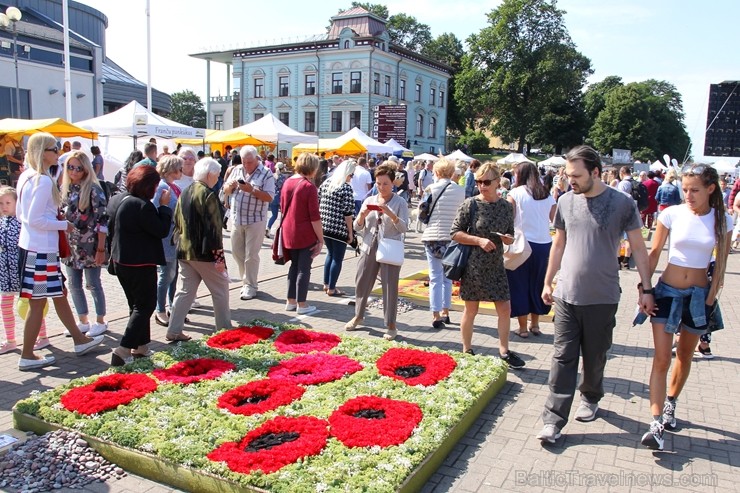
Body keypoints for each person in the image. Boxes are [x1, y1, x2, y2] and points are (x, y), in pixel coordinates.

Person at [537, 145, 654, 444]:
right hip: (566, 295)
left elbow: (639, 248)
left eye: (576, 175)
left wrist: (646, 287)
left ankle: (590, 396)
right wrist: (548, 281)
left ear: (596, 172)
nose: (570, 180)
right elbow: (558, 244)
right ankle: (553, 420)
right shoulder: (564, 201)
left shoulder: (622, 203)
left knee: (595, 355)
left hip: (603, 296)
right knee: (562, 357)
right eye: (567, 174)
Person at [639, 164, 732, 451]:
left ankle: (670, 402)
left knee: (685, 356)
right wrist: (645, 288)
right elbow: (653, 253)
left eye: (694, 190)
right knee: (662, 358)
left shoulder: (722, 220)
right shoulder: (671, 214)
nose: (688, 195)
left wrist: (710, 297)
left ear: (710, 189)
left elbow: (723, 263)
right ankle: (655, 424)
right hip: (666, 292)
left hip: (698, 296)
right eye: (685, 189)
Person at [15, 133, 104, 370]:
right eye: (54, 149)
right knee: (38, 302)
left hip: (34, 247)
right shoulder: (41, 180)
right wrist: (63, 224)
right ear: (42, 151)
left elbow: (22, 215)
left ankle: (79, 339)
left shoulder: (27, 176)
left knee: (59, 294)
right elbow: (34, 218)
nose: (58, 152)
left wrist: (56, 221)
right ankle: (27, 354)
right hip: (40, 250)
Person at [450, 162, 523, 367]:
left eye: (487, 182)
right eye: (479, 181)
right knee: (471, 310)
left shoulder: (506, 206)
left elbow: (510, 232)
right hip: (474, 266)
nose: (482, 185)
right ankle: (466, 349)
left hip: (496, 266)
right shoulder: (471, 204)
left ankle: (504, 351)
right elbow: (455, 232)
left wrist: (508, 239)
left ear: (498, 182)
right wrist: (479, 240)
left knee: (505, 309)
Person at [107, 165, 172, 366]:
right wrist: (164, 207)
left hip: (120, 261)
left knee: (135, 305)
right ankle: (123, 349)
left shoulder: (117, 199)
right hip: (140, 263)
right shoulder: (142, 205)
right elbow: (160, 230)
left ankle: (141, 346)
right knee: (145, 306)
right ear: (149, 186)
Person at [166, 158, 232, 342]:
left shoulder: (185, 191)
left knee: (185, 291)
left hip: (184, 250)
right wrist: (220, 259)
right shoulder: (208, 195)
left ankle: (174, 329)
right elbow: (214, 230)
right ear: (210, 174)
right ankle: (224, 330)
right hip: (204, 253)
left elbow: (177, 222)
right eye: (217, 175)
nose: (217, 179)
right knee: (220, 290)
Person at [345, 163, 409, 341]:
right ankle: (358, 316)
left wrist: (391, 214)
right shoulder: (369, 200)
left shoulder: (400, 202)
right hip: (369, 245)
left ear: (393, 183)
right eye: (378, 183)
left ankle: (391, 325)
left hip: (389, 247)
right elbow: (358, 227)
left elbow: (404, 228)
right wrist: (362, 215)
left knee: (389, 286)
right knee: (362, 281)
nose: (381, 187)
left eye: (385, 183)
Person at [60, 151, 109, 338]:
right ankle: (83, 320)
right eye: (70, 167)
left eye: (78, 168)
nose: (73, 171)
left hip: (90, 246)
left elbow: (102, 221)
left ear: (85, 169)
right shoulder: (67, 188)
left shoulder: (94, 189)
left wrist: (101, 249)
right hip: (71, 246)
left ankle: (100, 320)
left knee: (93, 284)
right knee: (74, 284)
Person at [505, 161, 556, 338]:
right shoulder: (546, 194)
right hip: (544, 244)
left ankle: (523, 327)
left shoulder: (515, 193)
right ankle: (535, 324)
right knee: (538, 283)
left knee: (520, 284)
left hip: (522, 244)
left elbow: (508, 218)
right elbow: (554, 219)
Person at [0, 186, 50, 354]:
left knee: (32, 305)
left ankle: (42, 337)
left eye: (8, 202)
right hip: (6, 274)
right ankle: (10, 340)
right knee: (5, 306)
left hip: (22, 271)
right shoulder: (2, 221)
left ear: (17, 203)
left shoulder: (22, 222)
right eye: (1, 203)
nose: (4, 206)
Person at [223, 145, 276, 300]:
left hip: (256, 220)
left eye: (250, 162)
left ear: (256, 159)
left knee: (251, 255)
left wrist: (252, 190)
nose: (247, 165)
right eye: (244, 162)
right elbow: (224, 190)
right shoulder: (236, 169)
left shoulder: (266, 173)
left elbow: (270, 197)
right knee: (236, 252)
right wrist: (229, 187)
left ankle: (250, 285)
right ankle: (246, 280)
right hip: (237, 218)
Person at [421, 159, 464, 329]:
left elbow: (422, 213)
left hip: (432, 236)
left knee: (434, 277)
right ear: (452, 172)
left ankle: (436, 314)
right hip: (451, 238)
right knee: (448, 277)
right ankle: (446, 311)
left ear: (437, 172)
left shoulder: (431, 188)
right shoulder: (460, 191)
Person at [279, 153, 323, 314]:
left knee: (294, 266)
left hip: (288, 230)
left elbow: (282, 207)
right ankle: (302, 304)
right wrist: (320, 238)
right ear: (312, 167)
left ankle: (291, 301)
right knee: (304, 268)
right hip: (304, 232)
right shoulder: (308, 186)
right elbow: (314, 217)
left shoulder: (287, 182)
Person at [152, 155, 183, 327]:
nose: (182, 171)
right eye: (179, 168)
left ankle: (173, 307)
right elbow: (155, 209)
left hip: (174, 237)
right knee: (167, 274)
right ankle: (160, 310)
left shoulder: (173, 186)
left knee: (173, 274)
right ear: (172, 170)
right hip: (166, 238)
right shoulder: (161, 188)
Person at [319, 159, 356, 297]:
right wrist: (350, 233)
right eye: (351, 175)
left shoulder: (326, 183)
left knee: (330, 254)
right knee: (337, 258)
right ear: (347, 173)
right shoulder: (345, 188)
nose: (351, 177)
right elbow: (348, 213)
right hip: (338, 228)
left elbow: (318, 201)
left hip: (325, 226)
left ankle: (326, 283)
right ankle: (332, 288)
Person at [266, 162, 286, 238]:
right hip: (281, 197)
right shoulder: (283, 177)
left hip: (273, 197)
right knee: (283, 215)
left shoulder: (272, 176)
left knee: (274, 215)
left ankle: (268, 227)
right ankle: (282, 232)